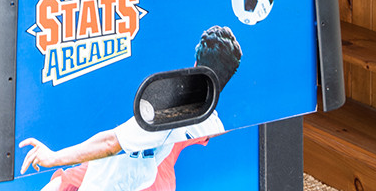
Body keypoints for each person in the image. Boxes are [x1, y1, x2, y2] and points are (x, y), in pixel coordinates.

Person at [18, 27, 243, 191]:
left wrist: (52, 157)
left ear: (195, 65)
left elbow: (110, 144)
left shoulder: (169, 108)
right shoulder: (212, 122)